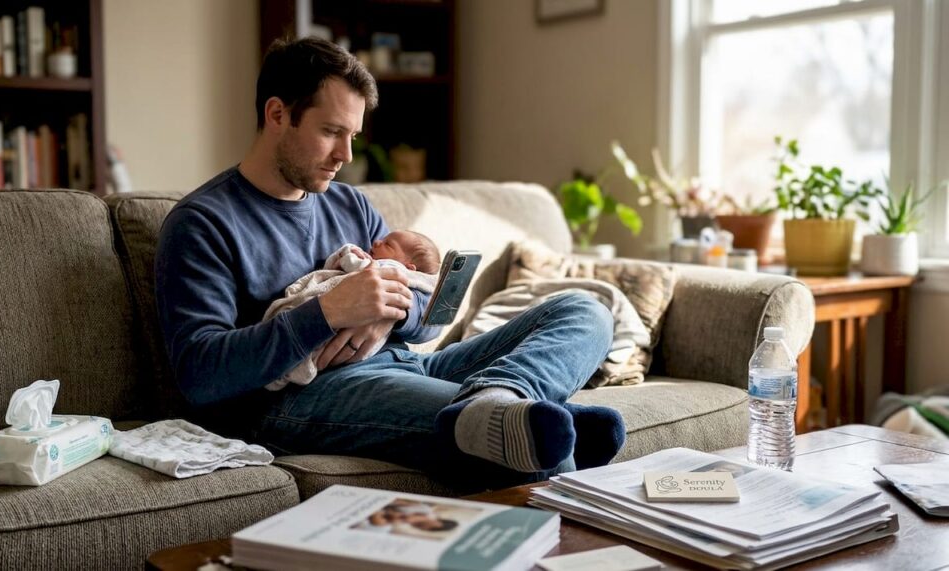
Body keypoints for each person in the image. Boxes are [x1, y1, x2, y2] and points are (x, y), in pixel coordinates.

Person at [154, 37, 625, 489]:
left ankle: (502, 393)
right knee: (518, 438)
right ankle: (513, 418)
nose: (346, 155)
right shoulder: (202, 224)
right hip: (305, 397)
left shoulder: (350, 204)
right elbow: (200, 373)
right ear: (277, 114)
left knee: (586, 311)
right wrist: (330, 312)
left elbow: (424, 327)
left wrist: (388, 312)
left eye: (353, 135)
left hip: (411, 366)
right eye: (331, 132)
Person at [262, 231, 440, 388]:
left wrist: (395, 310)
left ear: (409, 268)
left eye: (387, 244)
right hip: (345, 376)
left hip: (398, 361)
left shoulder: (391, 267)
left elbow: (437, 319)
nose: (376, 242)